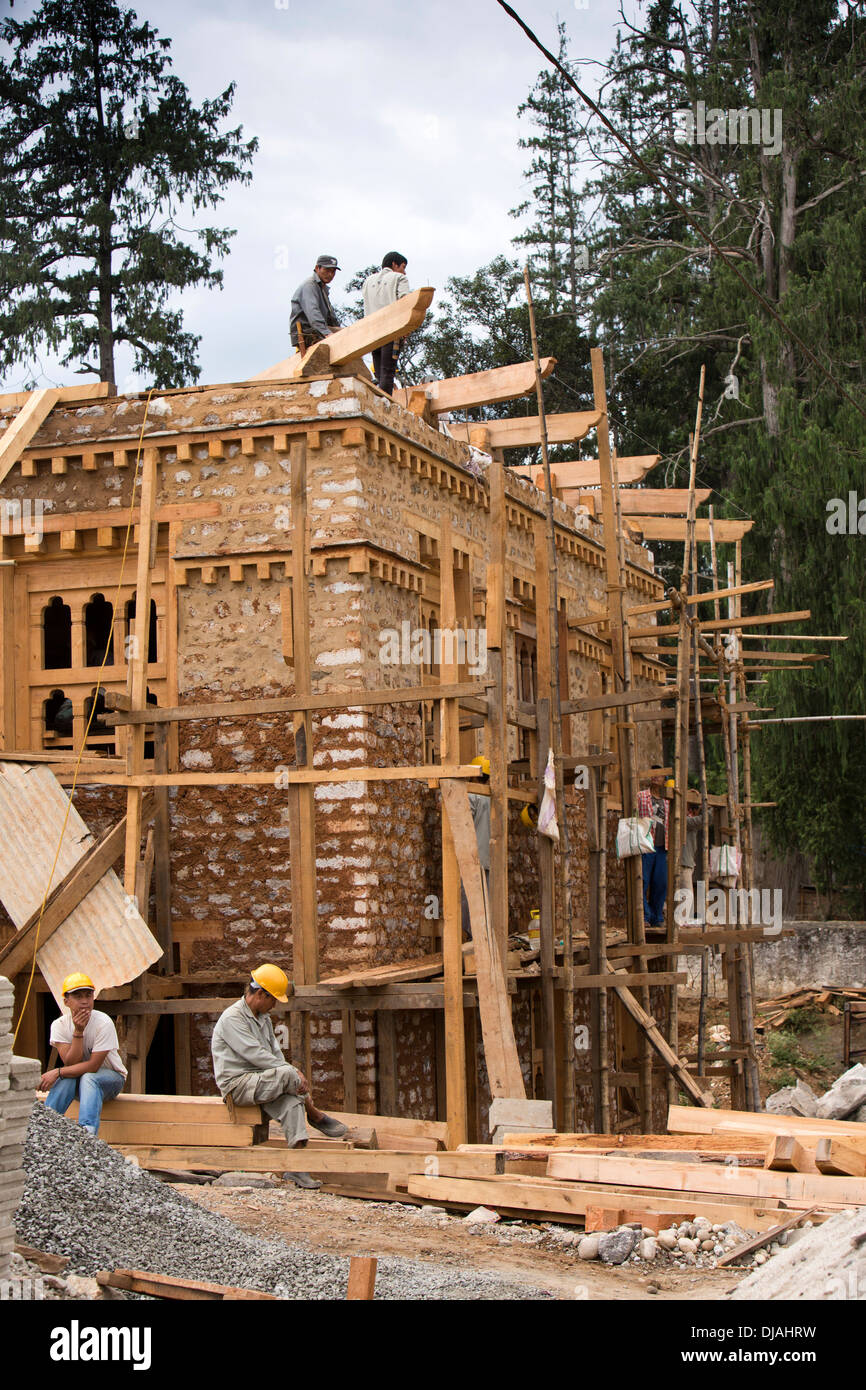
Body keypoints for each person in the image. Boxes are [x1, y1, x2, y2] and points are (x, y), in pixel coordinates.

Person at [210, 963, 347, 1190]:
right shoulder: (232, 1019)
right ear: (261, 994)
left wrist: (290, 1074)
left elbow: (274, 1054)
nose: (274, 1005)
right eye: (273, 999)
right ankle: (314, 1114)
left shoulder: (263, 1019)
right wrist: (291, 1073)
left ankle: (297, 1167)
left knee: (292, 1102)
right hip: (238, 1085)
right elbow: (256, 1055)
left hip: (263, 1081)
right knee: (287, 1073)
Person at [41, 973, 127, 1136]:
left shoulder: (103, 1023)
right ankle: (45, 1126)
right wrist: (78, 1032)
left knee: (87, 1077)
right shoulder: (59, 1025)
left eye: (88, 995)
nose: (84, 1001)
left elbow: (93, 1066)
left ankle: (87, 1133)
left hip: (111, 1080)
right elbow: (71, 1063)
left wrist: (57, 1072)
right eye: (78, 996)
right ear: (66, 1001)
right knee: (67, 1078)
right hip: (80, 1083)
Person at [362, 251, 410, 395]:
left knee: (379, 374)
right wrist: (406, 328)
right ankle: (385, 406)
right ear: (394, 264)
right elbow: (405, 303)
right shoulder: (399, 278)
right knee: (388, 372)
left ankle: (378, 402)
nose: (404, 271)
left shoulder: (368, 282)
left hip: (373, 333)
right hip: (391, 331)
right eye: (403, 266)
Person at [461, 755, 491, 939]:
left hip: (472, 859)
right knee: (486, 901)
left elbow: (463, 822)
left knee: (468, 901)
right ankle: (483, 938)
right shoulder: (493, 797)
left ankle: (472, 939)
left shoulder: (472, 796)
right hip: (489, 858)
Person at [290, 255, 341, 354]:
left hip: (318, 331)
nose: (330, 274)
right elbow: (313, 313)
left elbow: (331, 317)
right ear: (317, 268)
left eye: (333, 271)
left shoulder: (322, 288)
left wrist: (341, 331)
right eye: (327, 270)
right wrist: (327, 334)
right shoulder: (309, 286)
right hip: (308, 334)